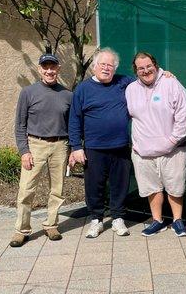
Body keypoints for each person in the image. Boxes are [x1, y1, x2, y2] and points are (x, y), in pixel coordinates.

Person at [125, 52, 186, 237]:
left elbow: (183, 115)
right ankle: (157, 221)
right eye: (141, 68)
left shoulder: (171, 83)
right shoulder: (130, 89)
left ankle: (178, 221)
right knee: (152, 188)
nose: (146, 71)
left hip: (173, 150)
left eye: (148, 66)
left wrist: (172, 140)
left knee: (175, 187)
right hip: (143, 152)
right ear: (135, 71)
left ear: (155, 65)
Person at [69, 48, 132, 238]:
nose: (106, 68)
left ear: (115, 68)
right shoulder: (82, 89)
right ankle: (96, 219)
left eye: (110, 65)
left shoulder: (124, 82)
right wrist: (76, 147)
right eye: (102, 64)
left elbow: (147, 77)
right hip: (94, 148)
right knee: (94, 185)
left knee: (120, 184)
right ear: (94, 67)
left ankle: (117, 218)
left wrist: (164, 74)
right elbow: (74, 119)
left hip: (120, 146)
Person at [10, 53, 73, 247]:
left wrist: (72, 149)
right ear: (40, 70)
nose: (49, 71)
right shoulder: (28, 93)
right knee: (26, 189)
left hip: (60, 146)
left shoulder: (67, 95)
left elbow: (72, 125)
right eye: (45, 67)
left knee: (58, 189)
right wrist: (24, 151)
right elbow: (20, 125)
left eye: (53, 67)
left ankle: (51, 225)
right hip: (35, 145)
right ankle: (22, 230)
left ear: (58, 70)